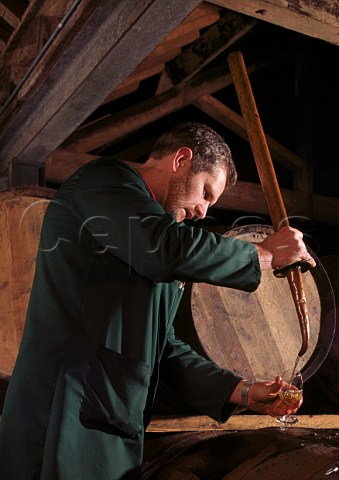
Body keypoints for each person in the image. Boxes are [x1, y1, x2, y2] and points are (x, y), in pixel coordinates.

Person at [0, 122, 315, 479]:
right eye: (206, 193)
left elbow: (162, 349)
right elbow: (165, 248)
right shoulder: (105, 184)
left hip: (110, 427)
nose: (203, 212)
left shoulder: (149, 238)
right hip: (61, 420)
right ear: (181, 159)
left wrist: (242, 392)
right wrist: (265, 254)